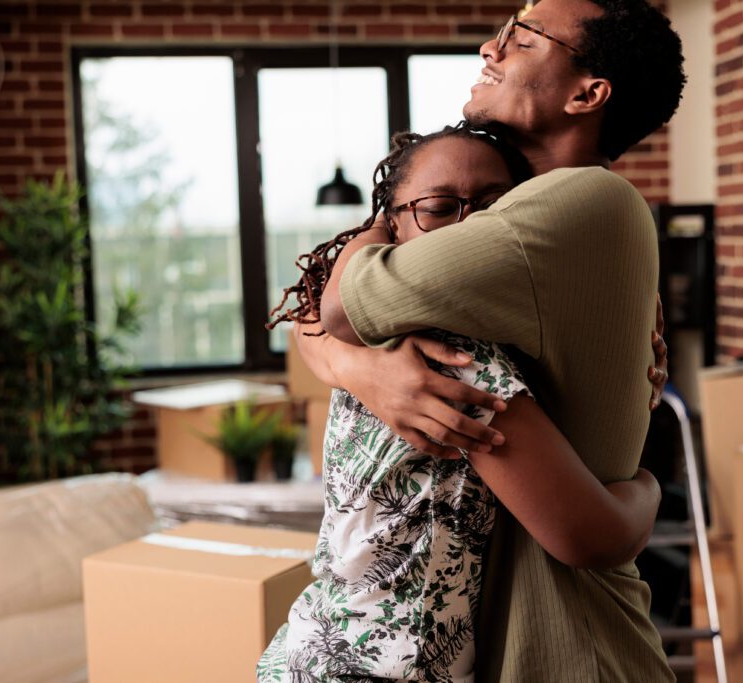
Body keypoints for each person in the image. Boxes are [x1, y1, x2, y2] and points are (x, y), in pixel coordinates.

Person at [306, 1, 687, 680]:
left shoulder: (580, 203)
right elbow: (316, 313)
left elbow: (338, 300)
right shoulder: (533, 217)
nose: (490, 46)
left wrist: (648, 490)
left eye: (521, 37)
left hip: (574, 646)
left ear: (588, 92)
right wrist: (367, 372)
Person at [257, 123, 663, 683]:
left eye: (493, 208)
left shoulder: (371, 339)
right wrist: (647, 484)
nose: (467, 228)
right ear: (392, 226)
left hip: (312, 650)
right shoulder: (457, 358)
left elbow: (315, 320)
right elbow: (588, 536)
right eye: (440, 208)